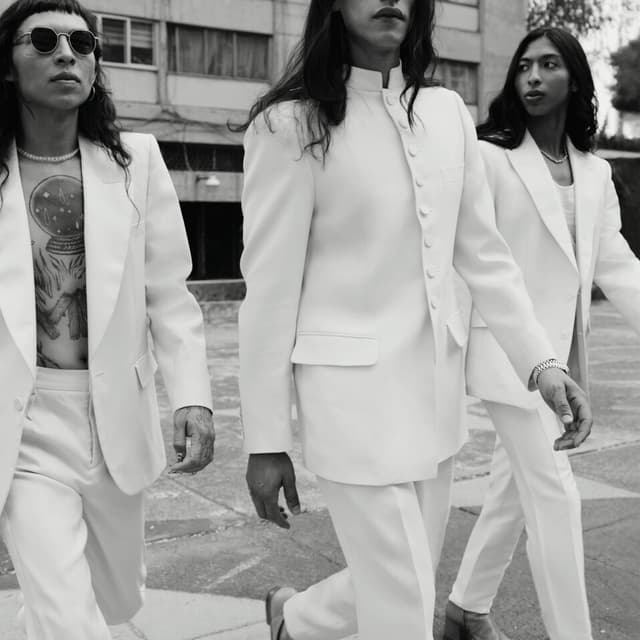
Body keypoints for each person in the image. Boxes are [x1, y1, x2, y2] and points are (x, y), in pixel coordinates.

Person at [238, 2, 592, 640]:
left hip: (434, 401)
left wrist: (542, 364)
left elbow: (485, 257)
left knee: (405, 577)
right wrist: (266, 439)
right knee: (403, 606)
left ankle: (296, 620)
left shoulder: (446, 112)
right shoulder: (287, 125)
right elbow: (268, 292)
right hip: (348, 405)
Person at [0, 0, 215, 637]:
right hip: (24, 422)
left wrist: (193, 397)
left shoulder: (134, 162)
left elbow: (168, 292)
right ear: (7, 65)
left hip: (113, 413)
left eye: (83, 43)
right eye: (43, 41)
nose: (67, 54)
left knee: (113, 599)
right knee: (70, 618)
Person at [444, 27, 640, 640]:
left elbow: (617, 265)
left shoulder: (596, 173)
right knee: (555, 495)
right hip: (510, 355)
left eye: (549, 64)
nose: (532, 76)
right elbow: (470, 257)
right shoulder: (490, 158)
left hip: (565, 355)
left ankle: (465, 610)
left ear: (575, 79)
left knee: (512, 490)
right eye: (524, 65)